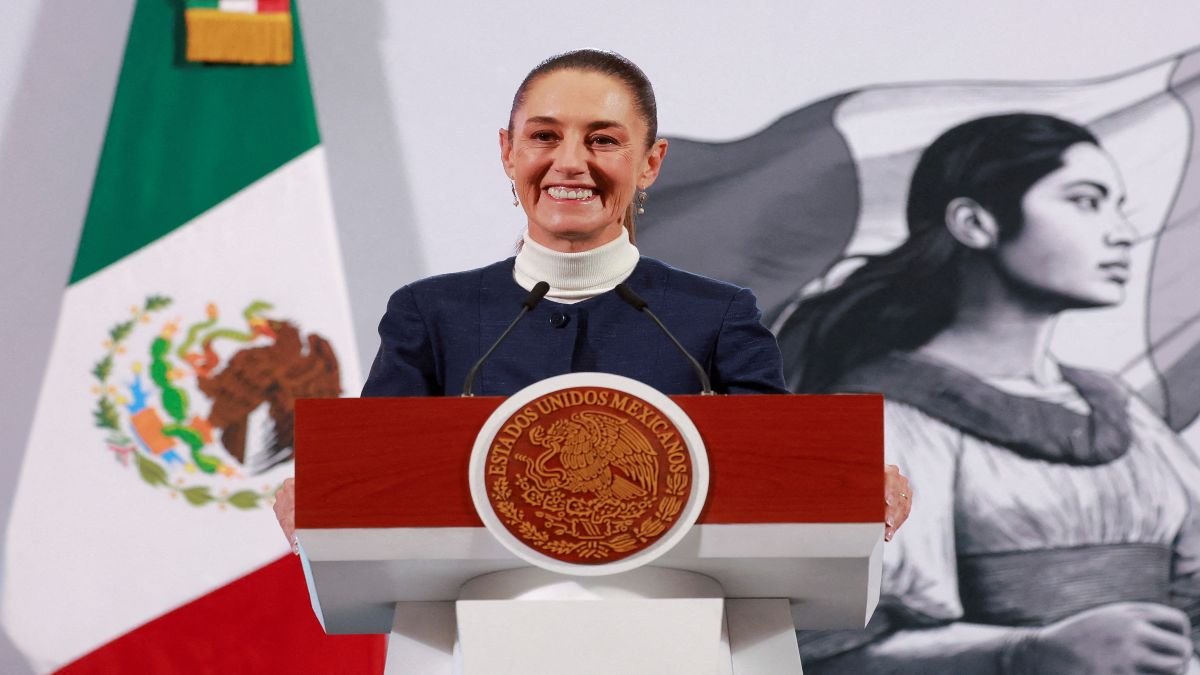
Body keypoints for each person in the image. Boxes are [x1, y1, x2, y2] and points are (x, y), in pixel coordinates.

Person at [274, 48, 911, 551]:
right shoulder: (430, 314)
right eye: (544, 136)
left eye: (603, 140)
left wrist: (847, 482)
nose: (570, 162)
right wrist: (322, 489)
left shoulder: (715, 316)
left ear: (651, 163)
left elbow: (778, 469)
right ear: (508, 150)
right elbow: (376, 474)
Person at [778, 113, 1200, 674]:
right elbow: (826, 650)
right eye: (1085, 201)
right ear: (975, 222)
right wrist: (1030, 653)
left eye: (1118, 205)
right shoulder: (881, 417)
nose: (1122, 232)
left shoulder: (1120, 410)